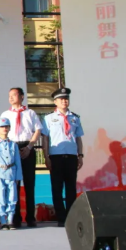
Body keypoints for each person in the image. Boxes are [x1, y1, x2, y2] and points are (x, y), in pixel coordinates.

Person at [0, 87, 43, 228]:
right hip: (12, 148)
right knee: (14, 185)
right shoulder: (5, 114)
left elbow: (38, 130)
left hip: (27, 146)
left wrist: (29, 147)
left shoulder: (30, 113)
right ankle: (16, 217)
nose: (11, 98)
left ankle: (30, 217)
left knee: (29, 184)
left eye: (14, 95)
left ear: (22, 96)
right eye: (9, 95)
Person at [42, 88, 84, 227]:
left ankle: (71, 216)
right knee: (57, 187)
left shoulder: (75, 118)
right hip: (56, 157)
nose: (64, 101)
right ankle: (61, 217)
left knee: (71, 188)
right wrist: (46, 157)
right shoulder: (48, 118)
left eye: (66, 99)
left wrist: (80, 155)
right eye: (61, 99)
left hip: (71, 156)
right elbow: (45, 139)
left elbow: (78, 138)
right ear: (55, 102)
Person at [0, 118, 23, 230]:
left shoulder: (13, 145)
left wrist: (18, 176)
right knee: (1, 197)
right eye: (2, 127)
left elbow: (17, 161)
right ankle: (3, 221)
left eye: (6, 126)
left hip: (11, 173)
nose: (4, 129)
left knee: (12, 197)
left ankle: (10, 220)